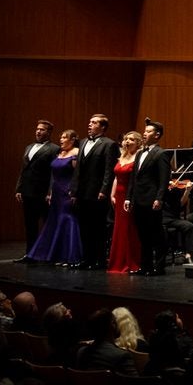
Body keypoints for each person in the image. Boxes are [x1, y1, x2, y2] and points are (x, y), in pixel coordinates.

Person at [25, 129, 83, 265]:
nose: (61, 140)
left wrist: (74, 191)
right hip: (56, 192)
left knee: (67, 219)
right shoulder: (60, 153)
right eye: (61, 137)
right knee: (55, 221)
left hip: (67, 191)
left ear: (72, 140)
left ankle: (69, 256)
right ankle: (55, 255)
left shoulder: (76, 153)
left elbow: (77, 175)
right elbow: (53, 175)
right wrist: (50, 192)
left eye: (64, 137)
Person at [73, 114, 120, 271]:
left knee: (98, 228)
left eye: (94, 123)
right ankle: (86, 259)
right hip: (82, 192)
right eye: (90, 122)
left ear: (103, 127)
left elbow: (109, 170)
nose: (89, 124)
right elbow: (78, 169)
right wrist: (74, 189)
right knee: (84, 226)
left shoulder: (109, 144)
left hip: (97, 192)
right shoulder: (83, 142)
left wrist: (104, 190)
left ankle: (99, 260)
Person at [127, 119, 171, 276]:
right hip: (138, 200)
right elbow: (134, 178)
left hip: (152, 200)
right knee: (143, 235)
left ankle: (159, 267)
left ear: (157, 135)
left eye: (148, 131)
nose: (144, 133)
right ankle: (145, 266)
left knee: (156, 234)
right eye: (144, 131)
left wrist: (159, 198)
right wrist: (128, 197)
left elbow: (164, 179)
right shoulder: (140, 153)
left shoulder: (161, 153)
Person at [15, 119, 58, 260]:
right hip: (27, 191)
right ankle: (30, 254)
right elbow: (23, 169)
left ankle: (47, 254)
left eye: (42, 129)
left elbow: (53, 172)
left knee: (47, 224)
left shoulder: (54, 149)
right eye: (37, 129)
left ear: (49, 132)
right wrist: (19, 188)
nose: (38, 131)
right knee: (30, 225)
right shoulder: (29, 147)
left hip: (42, 193)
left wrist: (50, 191)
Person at [107, 130, 143, 274]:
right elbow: (116, 177)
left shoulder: (139, 157)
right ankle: (118, 261)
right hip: (119, 195)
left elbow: (136, 180)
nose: (127, 141)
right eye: (126, 139)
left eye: (131, 139)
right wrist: (112, 194)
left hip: (130, 196)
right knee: (119, 228)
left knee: (129, 228)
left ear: (138, 143)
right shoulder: (122, 156)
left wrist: (130, 197)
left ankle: (131, 261)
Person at [75, 307, 138, 376]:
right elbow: (135, 382)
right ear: (112, 325)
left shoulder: (81, 353)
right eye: (115, 321)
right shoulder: (122, 356)